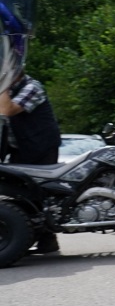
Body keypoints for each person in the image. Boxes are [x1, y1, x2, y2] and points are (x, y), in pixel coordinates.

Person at [0, 70, 61, 252]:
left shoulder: (32, 87)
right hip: (21, 148)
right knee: (19, 193)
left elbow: (7, 110)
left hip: (41, 147)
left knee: (39, 192)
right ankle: (29, 237)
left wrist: (2, 87)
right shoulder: (10, 90)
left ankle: (47, 239)